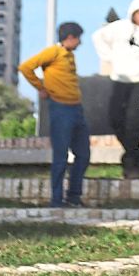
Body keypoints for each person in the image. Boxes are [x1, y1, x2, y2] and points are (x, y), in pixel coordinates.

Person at [19, 22, 90, 208]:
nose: (80, 43)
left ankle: (73, 197)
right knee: (60, 157)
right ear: (70, 38)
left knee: (83, 155)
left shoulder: (70, 56)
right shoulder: (53, 52)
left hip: (76, 109)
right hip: (60, 109)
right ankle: (56, 201)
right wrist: (40, 88)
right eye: (78, 39)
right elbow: (26, 67)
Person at [91, 0, 139, 179]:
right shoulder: (120, 27)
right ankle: (137, 155)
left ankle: (132, 164)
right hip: (121, 80)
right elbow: (97, 37)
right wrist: (110, 57)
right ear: (133, 13)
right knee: (116, 119)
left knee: (136, 123)